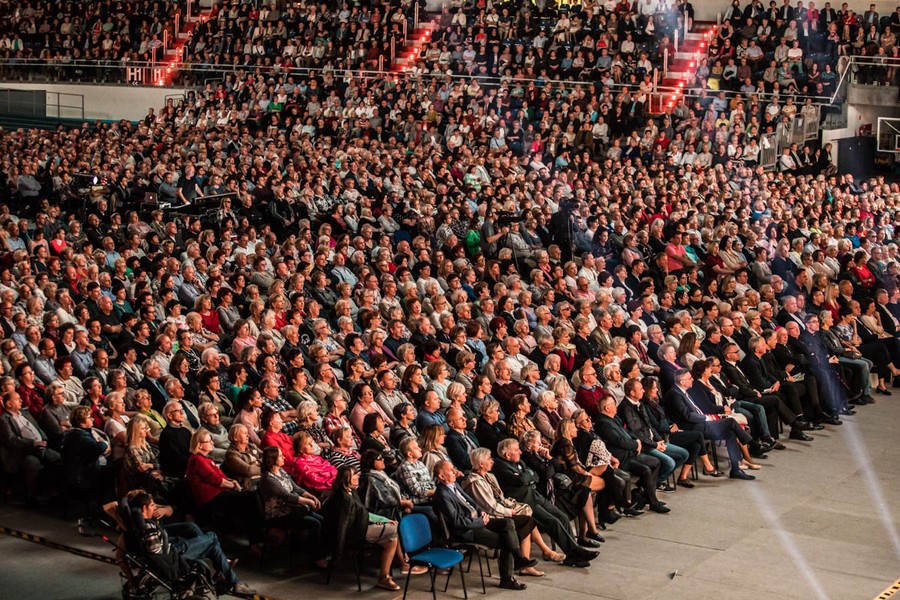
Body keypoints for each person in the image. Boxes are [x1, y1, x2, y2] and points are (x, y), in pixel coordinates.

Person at [432, 459, 538, 591]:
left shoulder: (455, 485)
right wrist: (480, 521)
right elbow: (457, 522)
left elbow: (472, 503)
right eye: (450, 470)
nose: (455, 471)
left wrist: (481, 512)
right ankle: (507, 578)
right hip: (468, 531)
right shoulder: (442, 494)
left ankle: (517, 557)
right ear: (442, 476)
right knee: (508, 539)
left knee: (508, 523)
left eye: (454, 468)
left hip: (479, 520)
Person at [124, 489, 255, 595]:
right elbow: (158, 554)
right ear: (144, 508)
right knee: (212, 537)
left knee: (206, 540)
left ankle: (228, 577)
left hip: (171, 549)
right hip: (173, 556)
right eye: (152, 505)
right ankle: (231, 579)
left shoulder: (138, 524)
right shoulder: (148, 529)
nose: (154, 508)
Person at [492, 438, 598, 568]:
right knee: (552, 522)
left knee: (562, 517)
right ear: (507, 454)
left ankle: (573, 554)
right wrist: (526, 475)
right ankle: (575, 552)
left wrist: (527, 475)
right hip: (524, 502)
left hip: (535, 495)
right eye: (516, 450)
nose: (520, 452)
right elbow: (521, 479)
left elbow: (534, 475)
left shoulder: (517, 462)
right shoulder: (500, 465)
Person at [322, 466, 426, 592]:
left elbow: (364, 514)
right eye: (355, 474)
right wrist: (338, 552)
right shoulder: (343, 498)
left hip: (361, 527)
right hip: (355, 534)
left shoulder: (351, 492)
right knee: (396, 528)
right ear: (346, 479)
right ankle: (403, 563)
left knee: (391, 540)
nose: (358, 476)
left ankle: (385, 577)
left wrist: (383, 521)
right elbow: (343, 526)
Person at [663, 369, 756, 480]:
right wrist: (706, 417)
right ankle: (753, 443)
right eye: (689, 378)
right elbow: (687, 416)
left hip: (699, 423)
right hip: (692, 427)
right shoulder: (674, 394)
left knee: (730, 433)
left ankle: (736, 469)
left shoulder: (682, 391)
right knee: (730, 422)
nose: (692, 379)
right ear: (682, 382)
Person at [184, 428, 263, 549]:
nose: (212, 443)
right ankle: (257, 539)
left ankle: (256, 539)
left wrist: (232, 481)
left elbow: (221, 476)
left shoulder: (206, 459)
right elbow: (215, 479)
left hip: (220, 494)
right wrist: (232, 484)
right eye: (209, 441)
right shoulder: (197, 460)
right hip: (211, 499)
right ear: (199, 445)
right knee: (250, 497)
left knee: (251, 499)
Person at [258, 446, 327, 568]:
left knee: (322, 519)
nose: (283, 457)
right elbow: (287, 496)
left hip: (292, 510)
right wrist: (309, 502)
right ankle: (317, 558)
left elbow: (296, 488)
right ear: (272, 459)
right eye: (280, 456)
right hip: (279, 514)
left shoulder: (282, 472)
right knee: (315, 523)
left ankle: (316, 552)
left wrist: (311, 497)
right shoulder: (268, 479)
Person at [0, 390, 61, 501]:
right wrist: (32, 443)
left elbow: (37, 427)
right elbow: (11, 440)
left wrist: (43, 439)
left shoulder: (25, 413)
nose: (21, 400)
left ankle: (53, 491)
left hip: (40, 447)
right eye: (17, 399)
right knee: (32, 464)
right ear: (8, 404)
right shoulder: (3, 419)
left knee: (57, 458)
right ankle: (31, 496)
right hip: (22, 452)